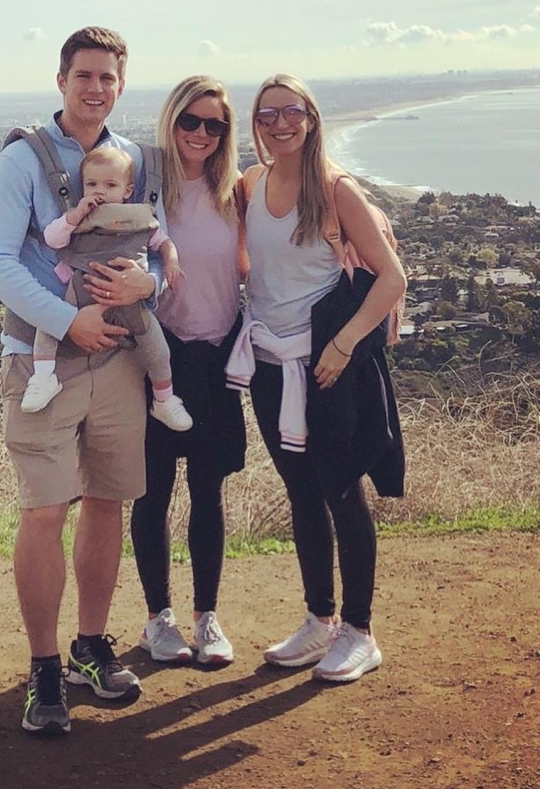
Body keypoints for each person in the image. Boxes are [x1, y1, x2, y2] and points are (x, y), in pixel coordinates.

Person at [0, 26, 159, 736]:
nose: (96, 88)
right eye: (84, 75)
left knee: (107, 502)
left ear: (121, 84)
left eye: (108, 77)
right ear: (61, 80)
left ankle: (90, 644)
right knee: (46, 510)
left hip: (116, 355)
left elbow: (153, 243)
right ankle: (44, 666)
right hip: (41, 357)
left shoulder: (132, 158)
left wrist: (151, 281)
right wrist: (66, 319)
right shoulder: (24, 158)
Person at [229, 73, 406, 683]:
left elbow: (392, 278)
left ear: (311, 118)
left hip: (328, 366)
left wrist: (343, 343)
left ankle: (360, 631)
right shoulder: (251, 183)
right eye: (268, 114)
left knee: (341, 491)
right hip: (270, 363)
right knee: (301, 492)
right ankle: (320, 620)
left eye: (292, 111)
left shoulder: (335, 190)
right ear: (257, 124)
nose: (281, 123)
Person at [129, 77, 247, 667]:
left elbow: (297, 214)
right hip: (158, 359)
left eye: (214, 125)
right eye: (190, 121)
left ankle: (206, 617)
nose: (201, 133)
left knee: (208, 491)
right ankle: (158, 620)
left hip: (217, 355)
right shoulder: (145, 187)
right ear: (171, 120)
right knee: (152, 493)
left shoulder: (236, 193)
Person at [21, 143, 192, 432]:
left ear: (127, 190)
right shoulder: (80, 217)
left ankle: (164, 399)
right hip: (81, 292)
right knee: (48, 324)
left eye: (110, 185)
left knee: (157, 348)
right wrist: (74, 216)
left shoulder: (141, 218)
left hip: (130, 301)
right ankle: (43, 377)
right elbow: (53, 239)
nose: (100, 191)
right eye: (92, 184)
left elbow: (164, 243)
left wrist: (171, 264)